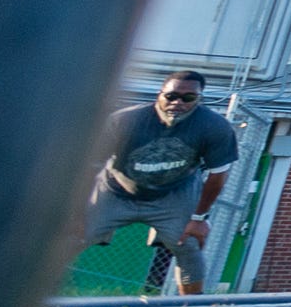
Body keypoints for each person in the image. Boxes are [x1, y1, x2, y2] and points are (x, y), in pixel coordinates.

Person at [82, 72, 238, 294]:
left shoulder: (213, 126)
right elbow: (91, 165)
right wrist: (78, 211)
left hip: (174, 194)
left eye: (188, 98)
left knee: (189, 244)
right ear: (159, 95)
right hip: (117, 190)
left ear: (198, 99)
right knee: (70, 237)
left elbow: (217, 175)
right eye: (171, 96)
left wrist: (198, 218)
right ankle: (26, 300)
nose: (177, 103)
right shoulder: (125, 120)